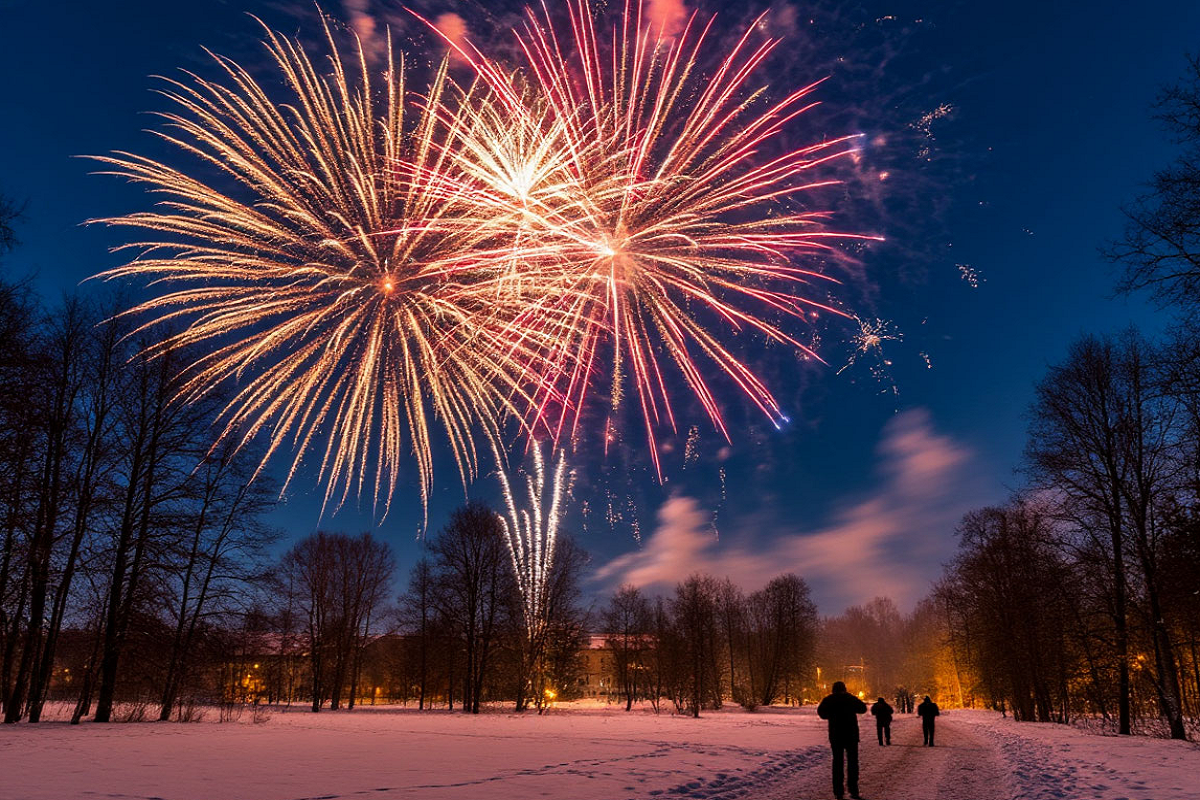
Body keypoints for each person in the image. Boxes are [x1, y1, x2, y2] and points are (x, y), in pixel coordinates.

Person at [817, 681, 867, 799]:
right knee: (853, 762)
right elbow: (863, 709)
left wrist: (832, 715)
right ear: (844, 688)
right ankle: (853, 789)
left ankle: (838, 791)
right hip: (851, 735)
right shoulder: (850, 698)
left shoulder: (829, 700)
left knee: (837, 762)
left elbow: (822, 713)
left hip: (836, 735)